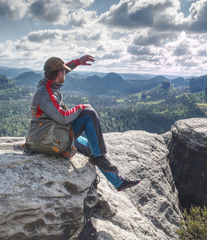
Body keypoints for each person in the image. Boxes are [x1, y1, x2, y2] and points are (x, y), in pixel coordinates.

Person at [25, 55, 140, 191]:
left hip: (47, 135)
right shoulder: (47, 92)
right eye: (63, 73)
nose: (65, 75)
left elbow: (61, 72)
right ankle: (99, 159)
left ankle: (118, 182)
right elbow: (63, 117)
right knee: (88, 113)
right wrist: (81, 107)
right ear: (59, 74)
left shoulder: (46, 84)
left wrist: (78, 62)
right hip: (50, 140)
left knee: (91, 146)